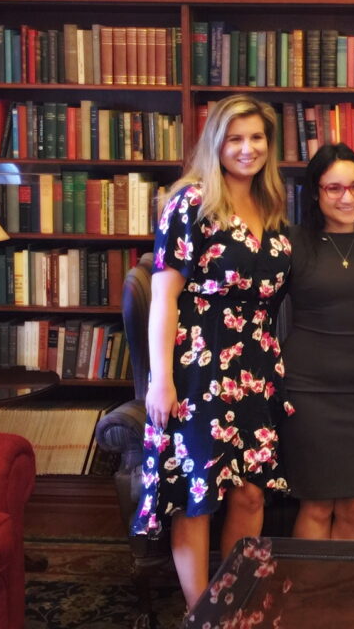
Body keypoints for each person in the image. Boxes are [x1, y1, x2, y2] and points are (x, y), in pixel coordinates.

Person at [131, 94, 294, 609]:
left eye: (257, 138)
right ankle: (201, 615)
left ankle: (235, 604)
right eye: (235, 138)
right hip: (199, 365)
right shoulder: (191, 202)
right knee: (197, 497)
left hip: (256, 366)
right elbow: (164, 295)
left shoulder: (271, 205)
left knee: (249, 493)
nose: (247, 149)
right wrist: (160, 380)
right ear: (216, 143)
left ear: (270, 144)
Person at [278, 143, 354, 540]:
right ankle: (310, 598)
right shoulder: (292, 243)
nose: (348, 197)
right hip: (308, 391)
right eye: (334, 188)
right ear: (315, 192)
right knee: (317, 502)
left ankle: (345, 595)